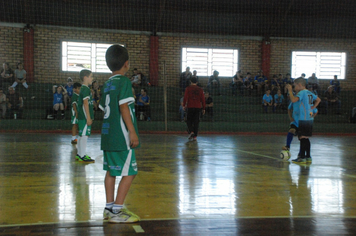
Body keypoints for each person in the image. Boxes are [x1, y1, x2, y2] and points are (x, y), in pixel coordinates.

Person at [100, 44, 140, 223]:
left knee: (111, 171)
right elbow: (123, 107)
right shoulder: (124, 81)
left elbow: (103, 108)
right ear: (126, 63)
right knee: (130, 172)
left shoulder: (107, 84)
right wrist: (132, 132)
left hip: (108, 136)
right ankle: (117, 211)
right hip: (121, 136)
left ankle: (109, 208)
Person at [285, 78, 321, 164]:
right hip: (309, 118)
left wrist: (290, 91)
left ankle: (301, 157)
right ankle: (308, 157)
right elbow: (318, 100)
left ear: (300, 85)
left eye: (295, 86)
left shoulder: (302, 92)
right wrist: (313, 107)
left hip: (303, 118)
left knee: (302, 138)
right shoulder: (309, 93)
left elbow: (293, 100)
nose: (294, 88)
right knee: (306, 138)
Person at [76, 69, 95, 163]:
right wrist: (88, 117)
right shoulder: (86, 89)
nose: (92, 78)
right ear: (85, 78)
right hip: (84, 117)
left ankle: (80, 154)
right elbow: (85, 103)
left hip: (81, 116)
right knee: (84, 135)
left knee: (81, 135)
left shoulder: (83, 89)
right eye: (91, 76)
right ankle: (82, 155)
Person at [183, 76, 205, 141]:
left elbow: (185, 97)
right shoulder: (200, 89)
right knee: (196, 121)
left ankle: (191, 131)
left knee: (188, 120)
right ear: (197, 82)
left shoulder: (188, 88)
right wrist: (203, 108)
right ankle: (195, 136)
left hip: (190, 106)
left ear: (190, 81)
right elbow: (203, 99)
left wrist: (184, 105)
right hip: (198, 107)